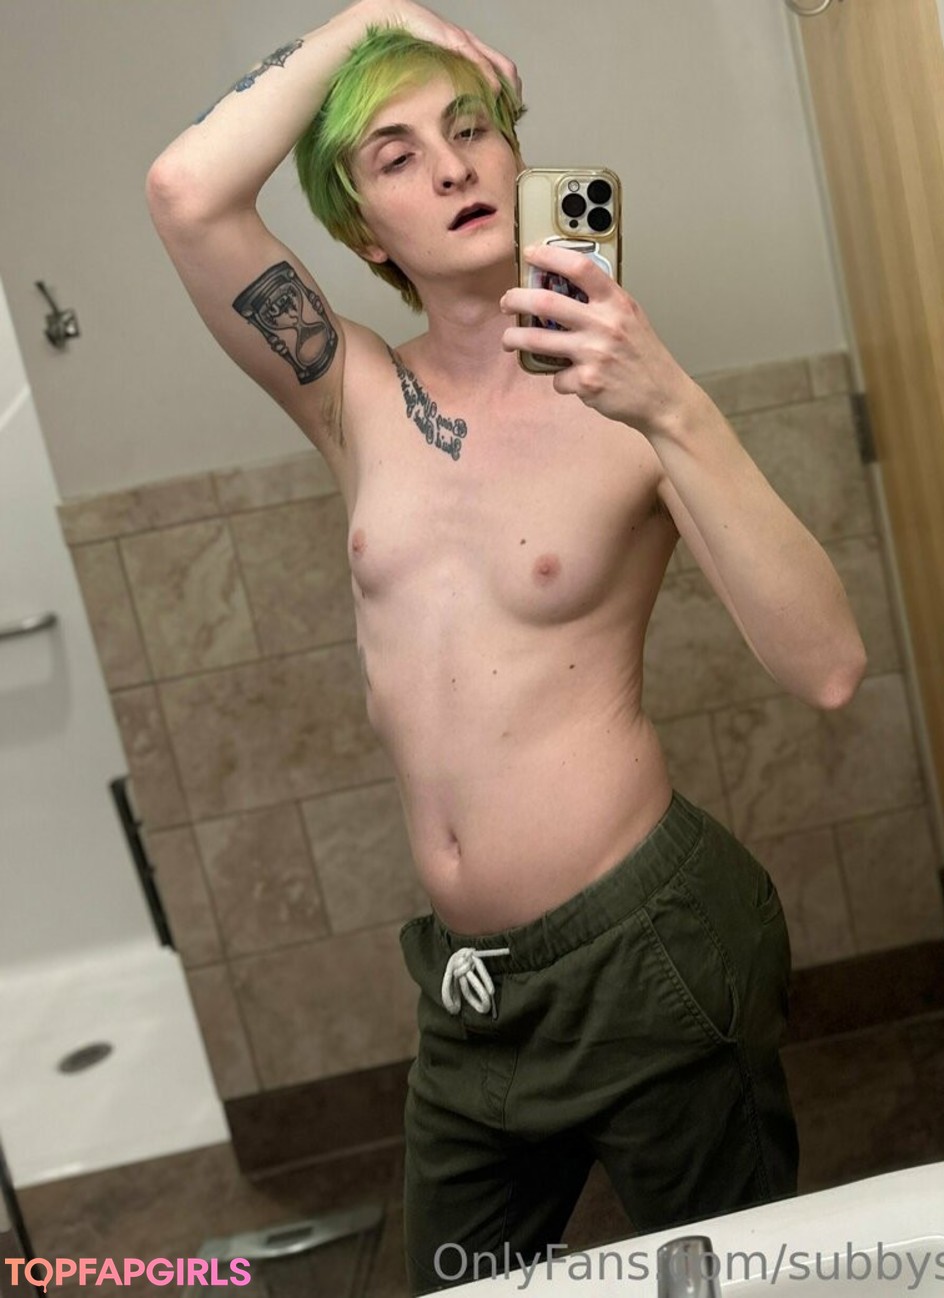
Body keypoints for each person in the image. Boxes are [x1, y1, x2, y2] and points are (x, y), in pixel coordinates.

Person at [145, 3, 868, 1292]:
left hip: (649, 948)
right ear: (364, 233)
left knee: (729, 1281)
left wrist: (673, 407)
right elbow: (187, 193)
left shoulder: (628, 406)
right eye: (399, 156)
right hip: (474, 992)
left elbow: (826, 667)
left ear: (517, 160)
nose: (453, 167)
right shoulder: (354, 393)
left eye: (471, 129)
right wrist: (376, 13)